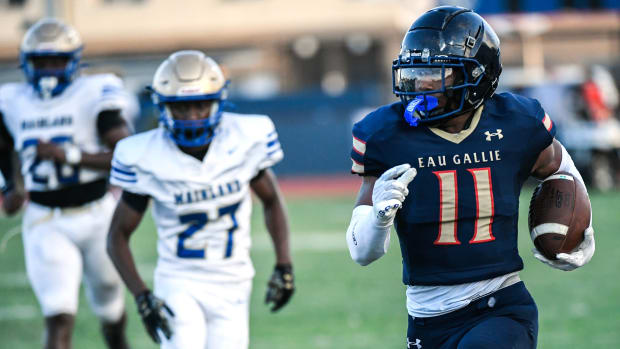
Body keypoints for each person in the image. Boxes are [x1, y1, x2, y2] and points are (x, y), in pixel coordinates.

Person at [345, 6, 595, 349]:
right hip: (427, 317)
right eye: (415, 71)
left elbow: (559, 167)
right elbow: (362, 254)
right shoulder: (385, 134)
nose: (421, 83)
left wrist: (580, 226)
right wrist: (378, 218)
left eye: (436, 73)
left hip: (499, 306)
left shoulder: (517, 122)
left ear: (478, 76)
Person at [106, 50, 295, 349]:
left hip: (234, 281)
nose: (192, 117)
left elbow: (272, 200)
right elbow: (117, 235)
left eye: (200, 106)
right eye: (181, 108)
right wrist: (141, 295)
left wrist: (284, 264)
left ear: (218, 102)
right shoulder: (145, 156)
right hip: (180, 280)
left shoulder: (245, 138)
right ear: (163, 106)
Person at [0, 18, 138, 349]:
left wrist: (69, 155)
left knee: (110, 309)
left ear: (73, 61)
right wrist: (11, 185)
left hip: (98, 215)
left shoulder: (93, 93)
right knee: (58, 314)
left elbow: (127, 152)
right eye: (41, 62)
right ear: (26, 63)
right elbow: (5, 148)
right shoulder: (12, 100)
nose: (48, 70)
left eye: (57, 61)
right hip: (47, 220)